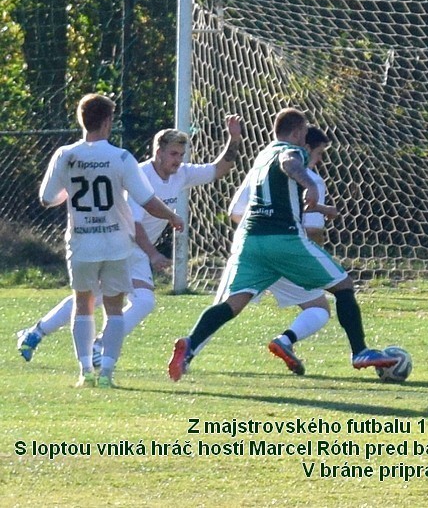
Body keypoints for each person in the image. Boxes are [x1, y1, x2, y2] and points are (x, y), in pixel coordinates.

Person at [167, 109, 397, 381]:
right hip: (283, 238)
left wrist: (320, 207)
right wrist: (310, 184)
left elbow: (280, 193)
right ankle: (359, 351)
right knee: (343, 285)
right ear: (298, 132)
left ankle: (191, 344)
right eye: (304, 133)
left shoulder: (262, 155)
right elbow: (289, 162)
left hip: (250, 241)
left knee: (234, 303)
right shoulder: (292, 151)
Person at [17, 118, 243, 364]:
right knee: (96, 299)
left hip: (134, 251)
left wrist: (233, 139)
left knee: (128, 300)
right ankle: (52, 336)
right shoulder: (140, 174)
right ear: (158, 152)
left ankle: (65, 338)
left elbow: (219, 169)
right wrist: (154, 254)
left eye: (181, 154)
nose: (178, 160)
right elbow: (134, 224)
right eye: (173, 154)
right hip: (120, 243)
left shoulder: (181, 174)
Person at [37, 93, 183, 388]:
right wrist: (172, 216)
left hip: (81, 242)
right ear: (107, 122)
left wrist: (71, 191)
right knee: (114, 308)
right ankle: (106, 374)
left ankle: (84, 372)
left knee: (83, 305)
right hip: (116, 244)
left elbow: (47, 198)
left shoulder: (66, 155)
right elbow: (148, 200)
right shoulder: (121, 157)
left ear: (82, 120)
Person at [209, 125, 335, 376]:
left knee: (223, 307)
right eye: (319, 153)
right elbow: (313, 230)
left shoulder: (260, 169)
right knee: (320, 307)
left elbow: (234, 212)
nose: (320, 160)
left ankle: (189, 349)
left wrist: (262, 227)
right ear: (304, 147)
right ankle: (286, 340)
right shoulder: (311, 181)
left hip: (250, 249)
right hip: (289, 253)